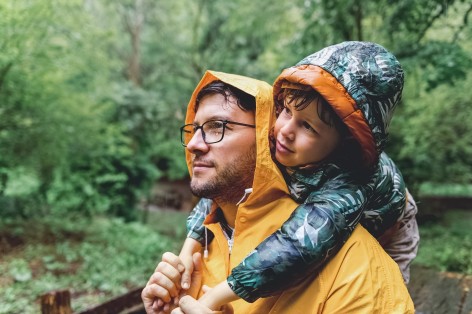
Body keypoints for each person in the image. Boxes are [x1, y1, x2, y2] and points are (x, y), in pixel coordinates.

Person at [151, 41, 419, 311]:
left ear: (343, 143)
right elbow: (216, 197)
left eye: (308, 126)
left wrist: (214, 298)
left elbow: (299, 243)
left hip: (388, 224)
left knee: (374, 286)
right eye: (286, 111)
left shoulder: (348, 181)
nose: (284, 130)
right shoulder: (287, 146)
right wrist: (189, 250)